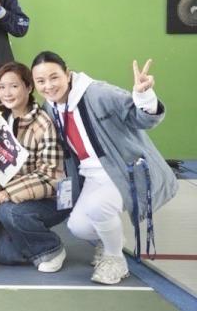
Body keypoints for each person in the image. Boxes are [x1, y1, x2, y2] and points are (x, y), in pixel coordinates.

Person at [30, 51, 178, 284]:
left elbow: (141, 118)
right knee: (78, 227)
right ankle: (109, 239)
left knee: (98, 208)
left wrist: (144, 95)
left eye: (54, 77)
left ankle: (115, 259)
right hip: (90, 176)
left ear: (67, 73)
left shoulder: (98, 93)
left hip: (122, 170)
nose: (48, 86)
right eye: (41, 81)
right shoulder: (49, 108)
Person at [0, 62, 68, 272]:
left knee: (8, 213)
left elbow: (50, 176)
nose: (7, 93)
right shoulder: (0, 118)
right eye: (1, 87)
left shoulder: (43, 123)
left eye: (14, 86)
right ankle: (30, 237)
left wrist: (9, 192)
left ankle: (52, 248)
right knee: (5, 254)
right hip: (15, 199)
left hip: (51, 199)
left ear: (29, 87)